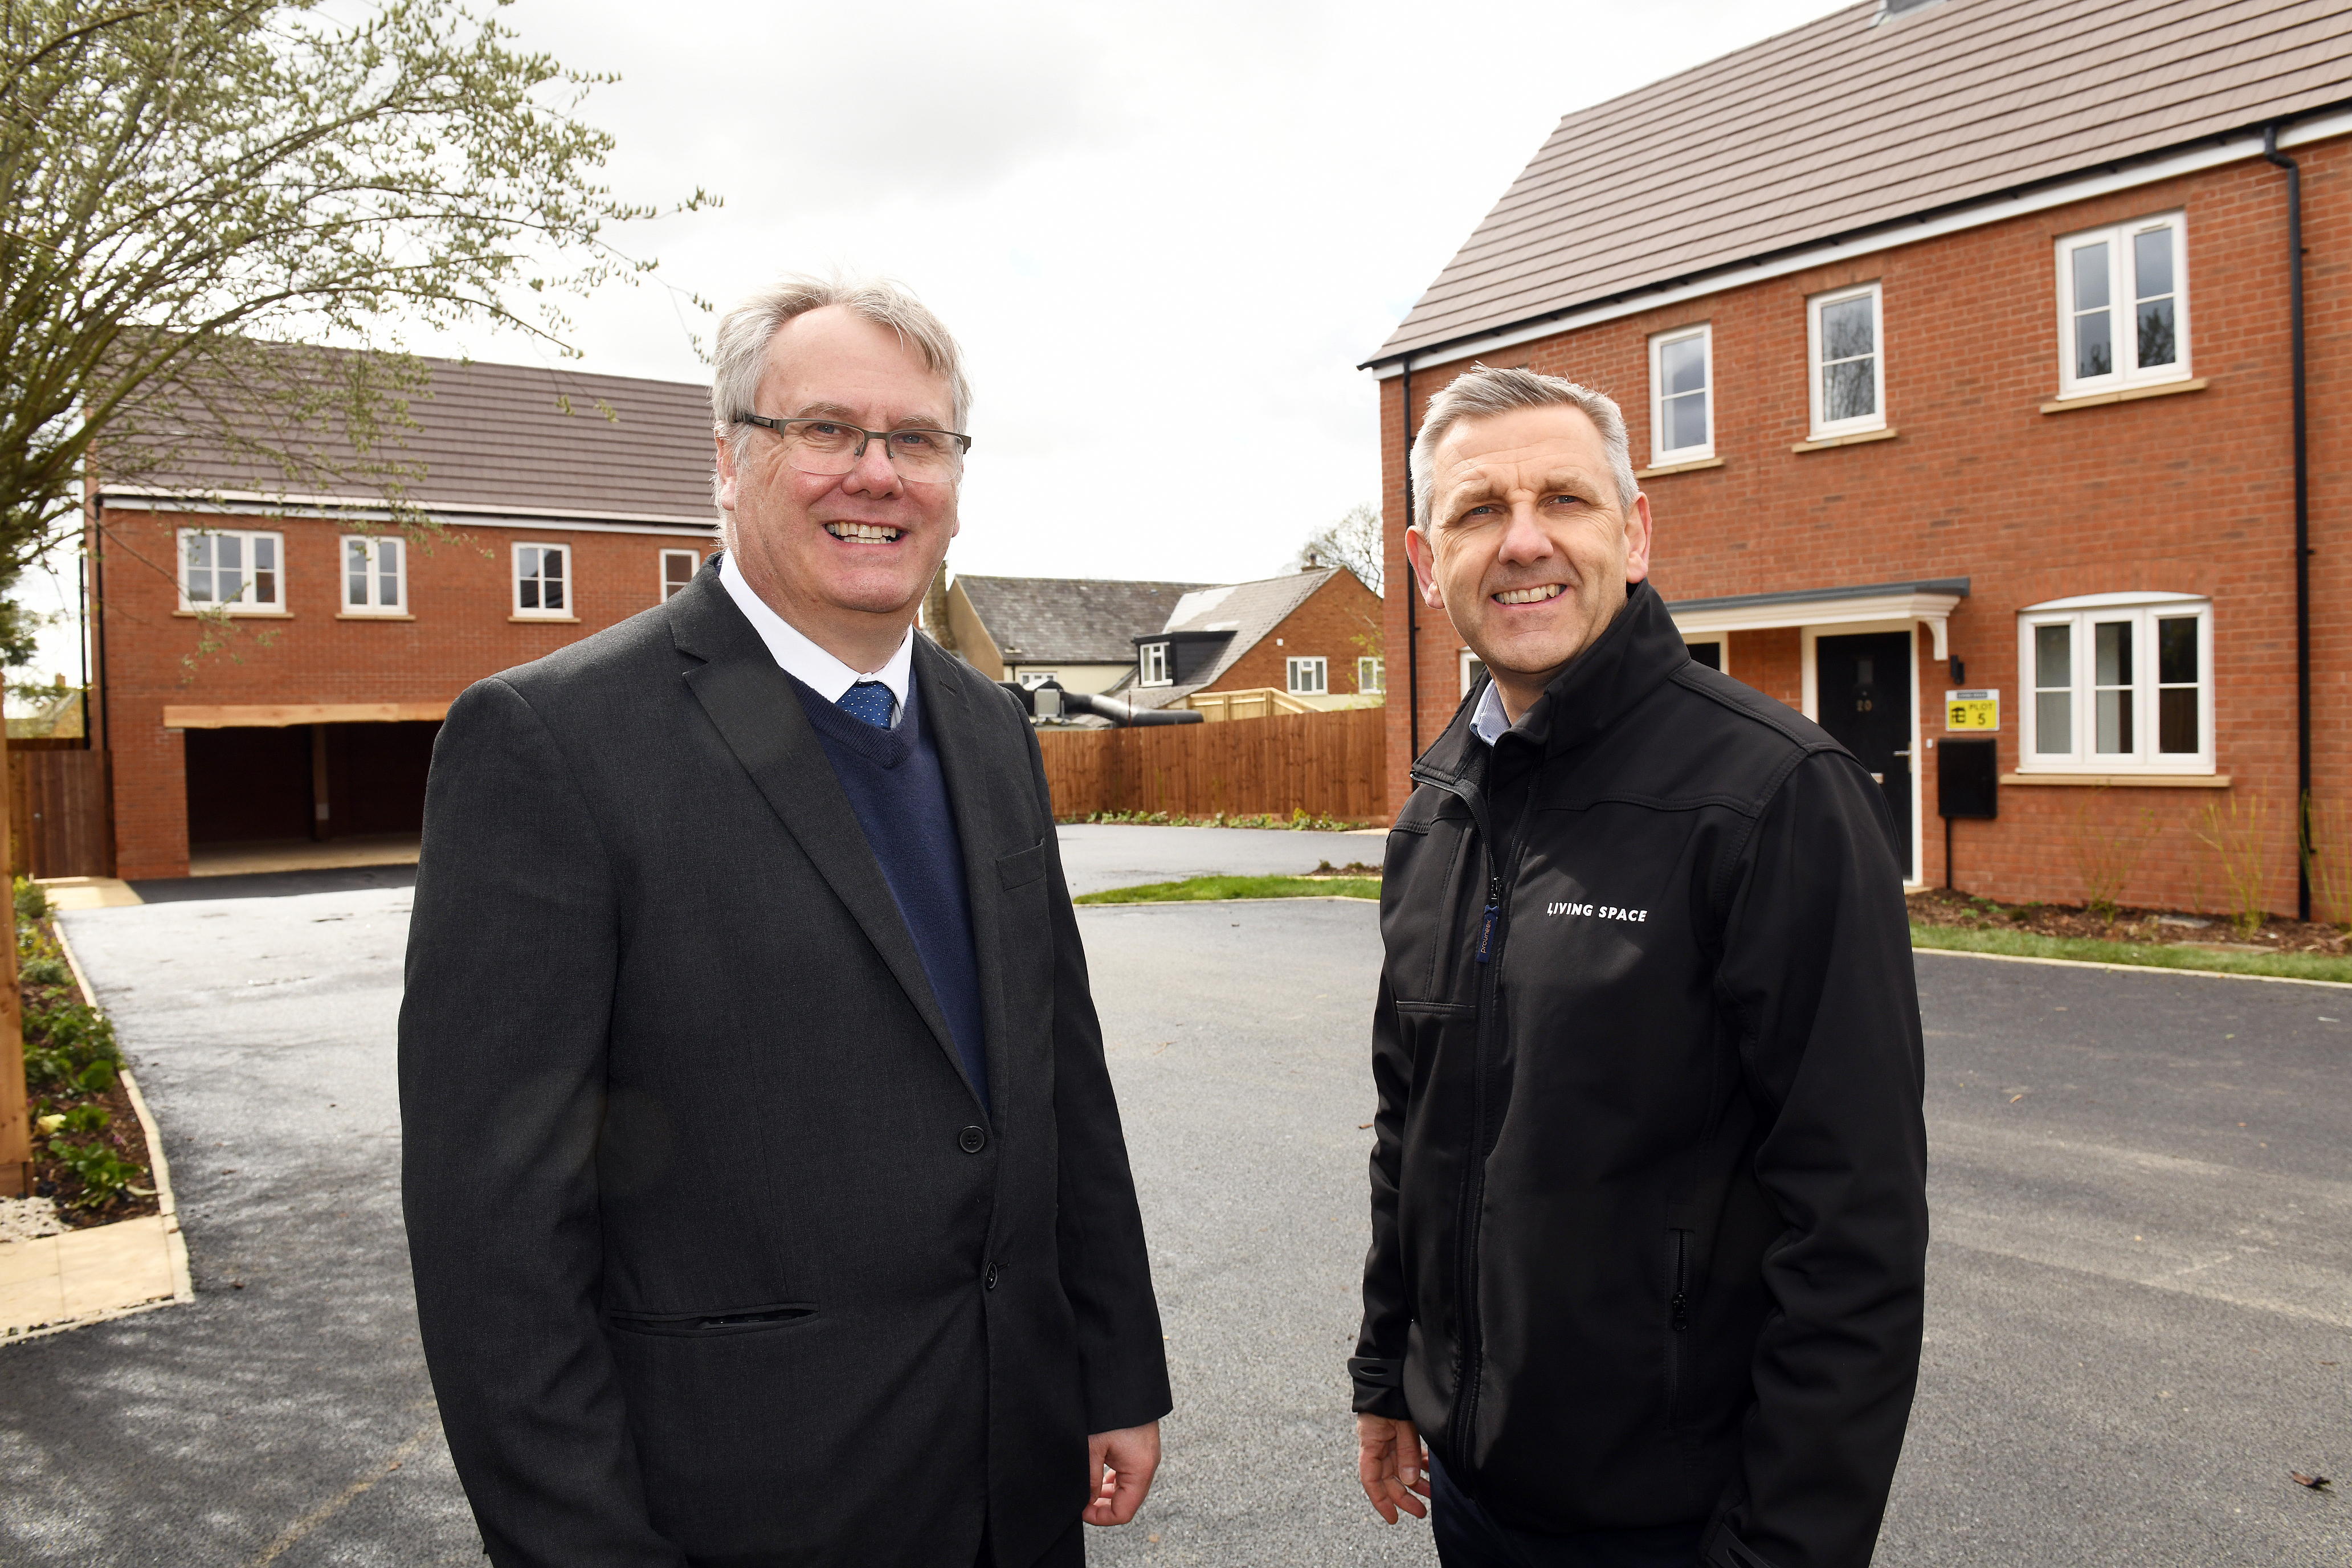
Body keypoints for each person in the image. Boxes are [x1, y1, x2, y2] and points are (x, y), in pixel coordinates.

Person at [401, 276, 1170, 1568]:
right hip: (740, 1507)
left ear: (955, 477)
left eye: (916, 439)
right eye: (826, 431)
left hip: (1012, 1474)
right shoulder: (551, 743)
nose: (876, 474)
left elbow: (1059, 1082)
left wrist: (1111, 1362)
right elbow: (495, 1235)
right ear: (730, 458)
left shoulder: (988, 728)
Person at [1350, 366, 1928, 1568]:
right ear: (1421, 558)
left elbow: (1854, 1218)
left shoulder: (1773, 794)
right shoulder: (1437, 810)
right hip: (1472, 1491)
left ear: (1636, 529)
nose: (1522, 542)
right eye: (1475, 511)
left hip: (1679, 1521)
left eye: (1563, 497)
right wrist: (1390, 1369)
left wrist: (1787, 1544)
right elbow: (1415, 1126)